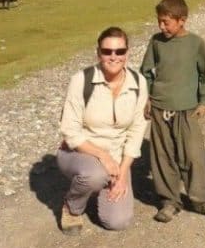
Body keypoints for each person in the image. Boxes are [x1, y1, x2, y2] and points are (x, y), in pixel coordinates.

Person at [140, 0, 205, 223]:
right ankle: (169, 201)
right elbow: (147, 71)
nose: (161, 26)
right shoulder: (156, 42)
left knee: (193, 157)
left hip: (187, 110)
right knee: (162, 157)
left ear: (182, 20)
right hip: (160, 108)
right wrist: (148, 97)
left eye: (166, 22)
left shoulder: (195, 44)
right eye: (159, 21)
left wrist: (202, 102)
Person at [57, 26, 148, 234]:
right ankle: (72, 207)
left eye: (120, 51)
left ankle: (97, 186)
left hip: (116, 160)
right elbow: (70, 131)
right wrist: (102, 156)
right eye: (107, 52)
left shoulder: (139, 83)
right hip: (80, 153)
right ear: (98, 53)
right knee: (94, 175)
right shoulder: (81, 80)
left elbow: (136, 132)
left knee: (118, 222)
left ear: (128, 52)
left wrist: (123, 174)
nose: (113, 57)